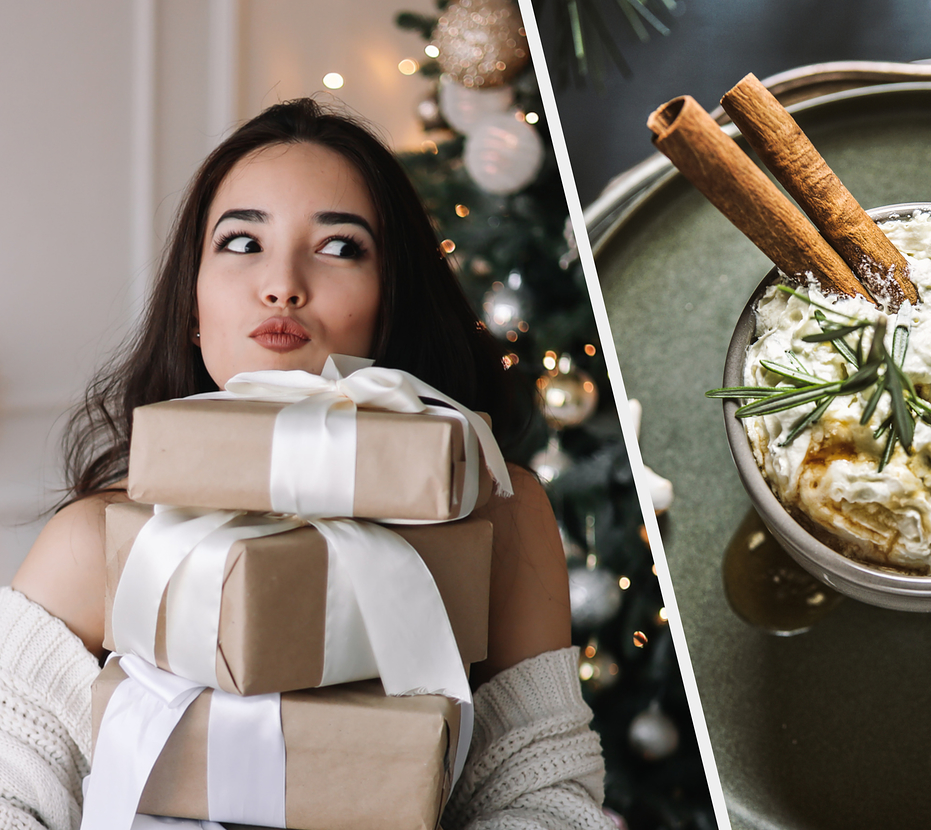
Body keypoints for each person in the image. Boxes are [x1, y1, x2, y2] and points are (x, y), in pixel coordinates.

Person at [0, 99, 613, 830]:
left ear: (391, 301)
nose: (283, 284)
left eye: (339, 247)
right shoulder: (93, 542)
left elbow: (545, 798)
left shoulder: (500, 518)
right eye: (241, 242)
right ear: (193, 306)